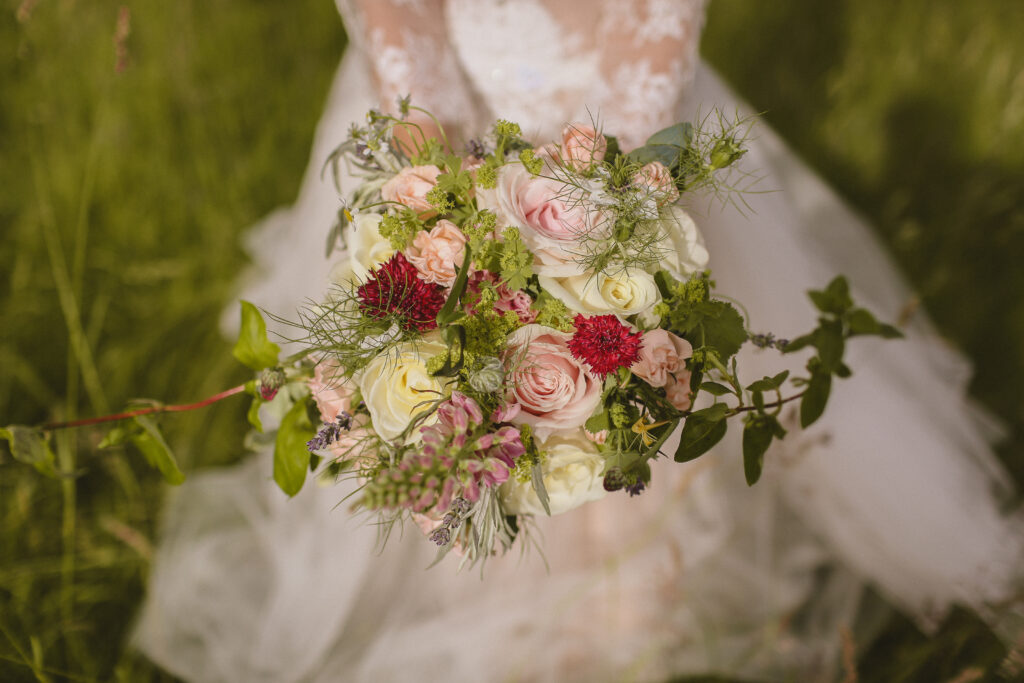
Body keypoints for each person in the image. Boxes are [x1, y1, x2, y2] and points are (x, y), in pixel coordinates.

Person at [133, 1, 1024, 681]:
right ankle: (485, 578)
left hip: (625, 143)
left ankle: (632, 602)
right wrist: (440, 187)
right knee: (445, 380)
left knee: (630, 372)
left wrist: (600, 228)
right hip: (442, 124)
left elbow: (652, 39)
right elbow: (398, 24)